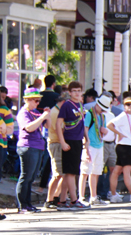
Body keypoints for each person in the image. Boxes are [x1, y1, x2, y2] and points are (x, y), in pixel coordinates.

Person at [16, 88, 50, 212]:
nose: (38, 103)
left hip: (38, 146)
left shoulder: (35, 112)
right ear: (27, 100)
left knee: (31, 177)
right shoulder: (23, 113)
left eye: (39, 100)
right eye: (35, 100)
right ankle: (22, 204)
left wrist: (47, 116)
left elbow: (48, 126)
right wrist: (42, 118)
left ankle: (28, 203)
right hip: (28, 146)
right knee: (26, 176)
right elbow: (29, 128)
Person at [56, 81, 89, 209]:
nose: (77, 93)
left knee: (71, 172)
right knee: (70, 172)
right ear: (69, 92)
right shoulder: (66, 105)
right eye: (74, 91)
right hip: (69, 140)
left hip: (78, 140)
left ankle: (62, 200)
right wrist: (62, 142)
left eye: (79, 91)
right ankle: (74, 200)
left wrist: (86, 138)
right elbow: (58, 124)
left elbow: (82, 124)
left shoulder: (81, 105)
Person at [108, 96, 131, 203]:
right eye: (128, 104)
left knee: (116, 171)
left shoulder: (129, 116)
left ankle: (114, 194)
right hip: (125, 146)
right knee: (126, 171)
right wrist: (119, 134)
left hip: (126, 145)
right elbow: (110, 125)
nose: (130, 106)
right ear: (124, 106)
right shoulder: (123, 116)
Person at [80, 93, 110, 206]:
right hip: (90, 145)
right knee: (85, 171)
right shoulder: (89, 114)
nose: (102, 111)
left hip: (99, 144)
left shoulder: (103, 117)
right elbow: (85, 128)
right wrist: (86, 143)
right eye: (102, 108)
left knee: (96, 172)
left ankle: (93, 197)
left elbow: (104, 130)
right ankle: (81, 197)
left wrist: (105, 131)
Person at [43, 91, 69, 210]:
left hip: (60, 143)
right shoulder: (55, 113)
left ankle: (56, 197)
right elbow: (58, 130)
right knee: (57, 174)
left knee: (63, 174)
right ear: (63, 102)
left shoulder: (60, 112)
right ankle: (49, 199)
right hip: (56, 143)